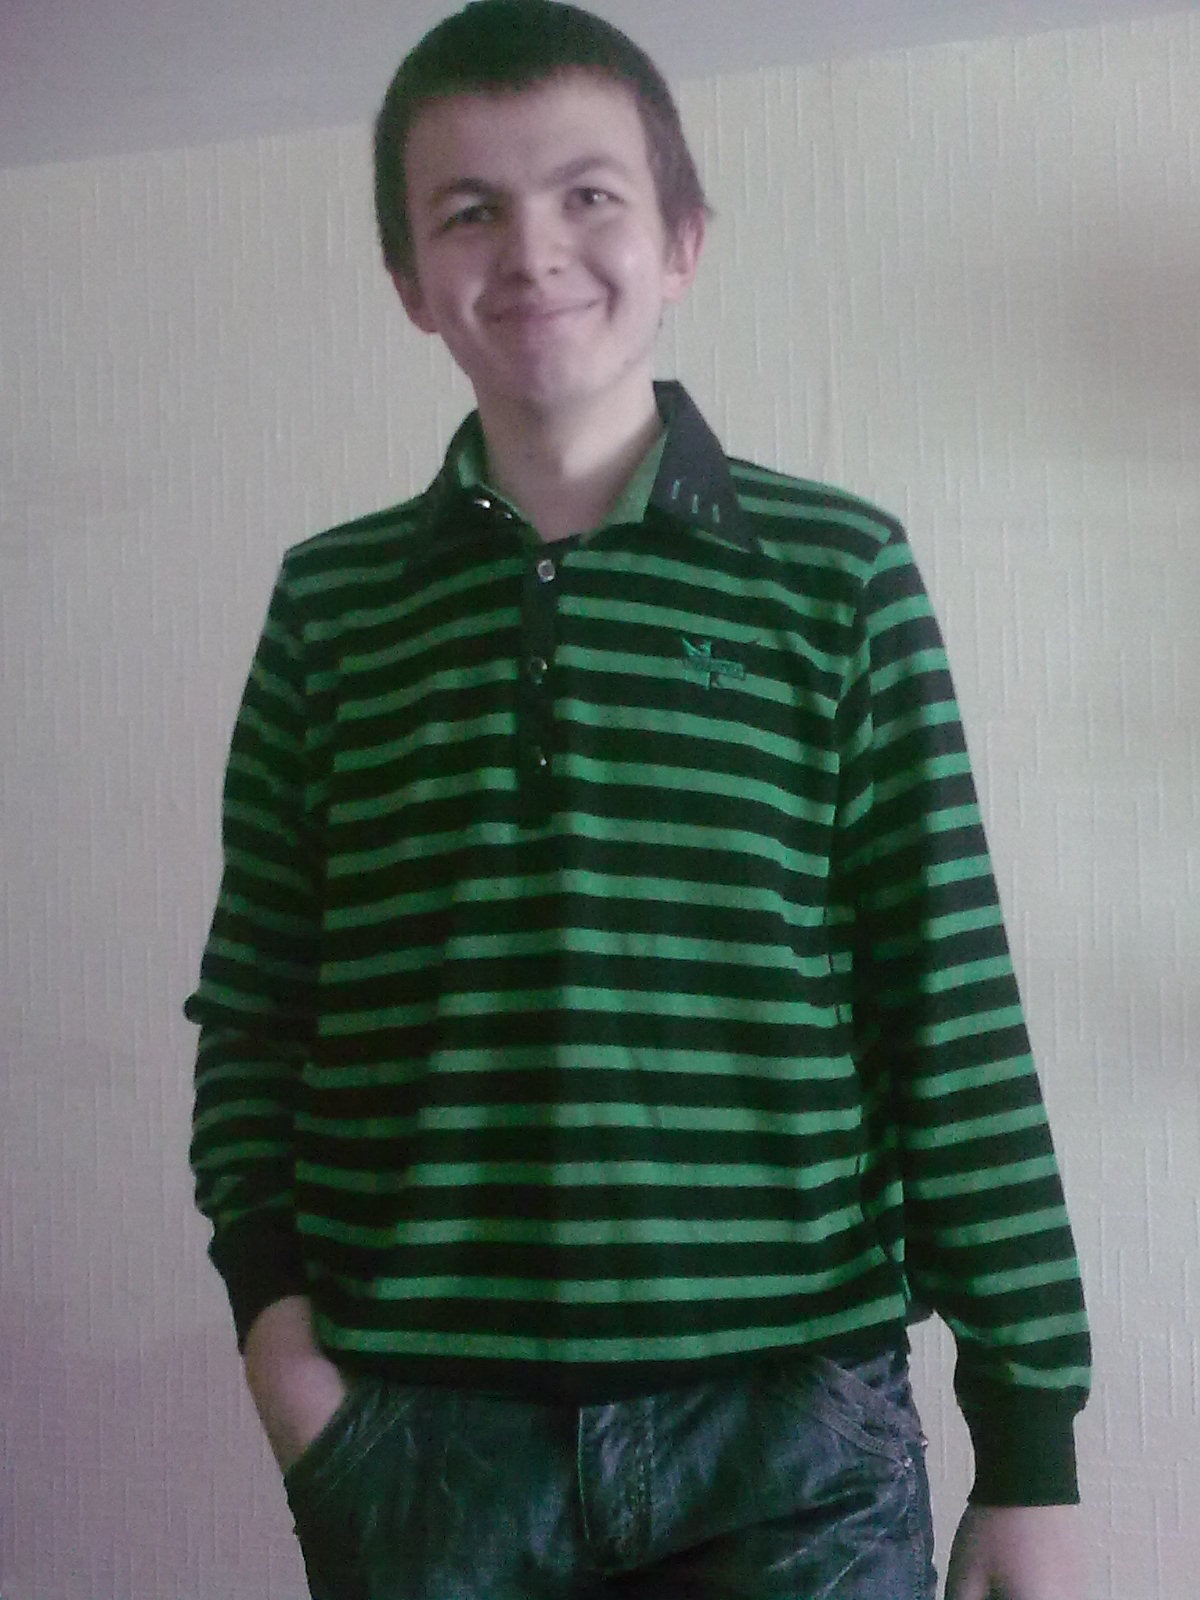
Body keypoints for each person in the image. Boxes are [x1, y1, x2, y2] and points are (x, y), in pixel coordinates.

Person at [186, 3, 1091, 1596]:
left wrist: (1029, 1449)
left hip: (790, 1439)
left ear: (680, 242)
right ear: (409, 279)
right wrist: (277, 1336)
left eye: (587, 195)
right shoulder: (333, 605)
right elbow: (259, 1004)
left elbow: (947, 1001)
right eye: (470, 210)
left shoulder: (839, 573)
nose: (532, 249)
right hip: (418, 1440)